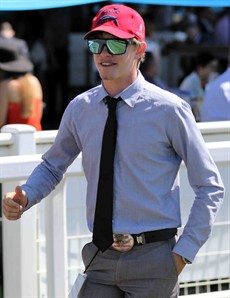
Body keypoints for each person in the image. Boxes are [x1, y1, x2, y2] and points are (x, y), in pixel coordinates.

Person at [2, 4, 224, 298]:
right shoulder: (81, 108)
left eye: (117, 43)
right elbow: (53, 166)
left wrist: (183, 253)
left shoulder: (170, 110)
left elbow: (210, 186)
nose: (105, 53)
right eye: (97, 44)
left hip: (155, 259)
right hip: (99, 257)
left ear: (139, 49)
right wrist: (26, 195)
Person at [0, 46, 43, 130]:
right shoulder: (34, 81)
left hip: (13, 139)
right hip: (35, 137)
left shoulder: (6, 85)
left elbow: (1, 121)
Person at [179, 52, 218, 121]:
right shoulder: (190, 82)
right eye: (211, 67)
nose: (213, 71)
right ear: (200, 67)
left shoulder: (205, 80)